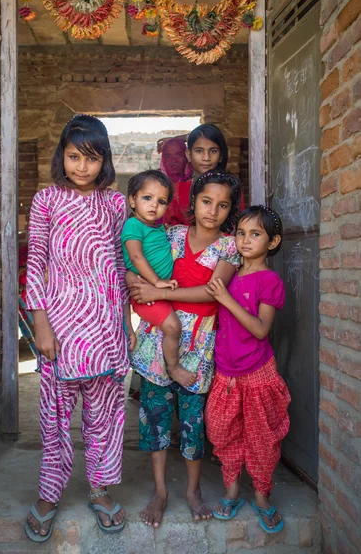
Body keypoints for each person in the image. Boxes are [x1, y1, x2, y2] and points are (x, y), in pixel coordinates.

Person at [25, 114, 136, 542]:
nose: (82, 167)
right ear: (62, 157)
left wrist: (125, 321)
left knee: (105, 415)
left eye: (92, 158)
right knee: (54, 415)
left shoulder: (113, 204)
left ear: (105, 160)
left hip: (105, 326)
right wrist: (41, 324)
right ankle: (50, 494)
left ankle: (100, 489)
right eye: (74, 157)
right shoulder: (46, 199)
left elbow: (117, 264)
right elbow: (36, 260)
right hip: (61, 326)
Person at [128, 170, 241, 527]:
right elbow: (137, 262)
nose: (213, 210)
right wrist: (135, 281)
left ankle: (193, 490)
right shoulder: (170, 234)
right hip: (158, 334)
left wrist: (159, 292)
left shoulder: (229, 247)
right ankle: (160, 491)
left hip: (199, 342)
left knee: (193, 421)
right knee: (156, 418)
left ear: (229, 211)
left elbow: (213, 290)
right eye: (206, 201)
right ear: (192, 202)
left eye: (222, 206)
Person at [204, 205, 290, 534]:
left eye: (255, 234)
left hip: (257, 372)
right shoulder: (232, 274)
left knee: (261, 438)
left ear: (273, 241)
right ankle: (231, 491)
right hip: (226, 371)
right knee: (224, 432)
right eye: (241, 233)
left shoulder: (269, 280)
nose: (245, 240)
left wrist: (226, 299)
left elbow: (260, 330)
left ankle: (262, 497)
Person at [122, 169, 197, 388]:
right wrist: (156, 282)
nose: (154, 205)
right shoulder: (133, 225)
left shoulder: (155, 228)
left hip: (159, 291)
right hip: (146, 290)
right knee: (173, 327)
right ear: (133, 200)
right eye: (147, 198)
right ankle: (174, 368)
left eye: (161, 201)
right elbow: (135, 256)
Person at [162, 124, 229, 227]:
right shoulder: (178, 190)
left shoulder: (230, 188)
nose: (206, 158)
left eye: (213, 151)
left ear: (221, 156)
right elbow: (169, 228)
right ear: (189, 155)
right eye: (199, 151)